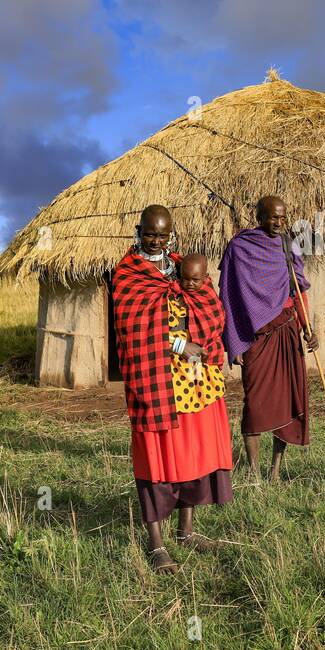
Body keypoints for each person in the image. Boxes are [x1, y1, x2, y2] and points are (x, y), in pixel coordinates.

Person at [111, 206, 231, 574]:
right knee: (157, 456)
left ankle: (186, 531)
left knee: (190, 452)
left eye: (163, 236)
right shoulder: (127, 276)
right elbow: (133, 333)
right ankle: (157, 544)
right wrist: (179, 346)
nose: (157, 241)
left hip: (194, 384)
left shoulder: (184, 267)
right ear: (138, 231)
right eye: (150, 234)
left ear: (172, 236)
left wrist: (202, 345)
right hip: (155, 380)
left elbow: (211, 310)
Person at [218, 195, 318, 482]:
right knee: (255, 403)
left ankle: (274, 471)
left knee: (287, 401)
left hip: (286, 330)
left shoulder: (287, 246)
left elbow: (297, 290)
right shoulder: (241, 247)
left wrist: (307, 327)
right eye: (273, 217)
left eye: (283, 217)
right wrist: (234, 341)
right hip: (256, 338)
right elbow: (229, 296)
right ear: (259, 217)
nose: (278, 222)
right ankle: (253, 473)